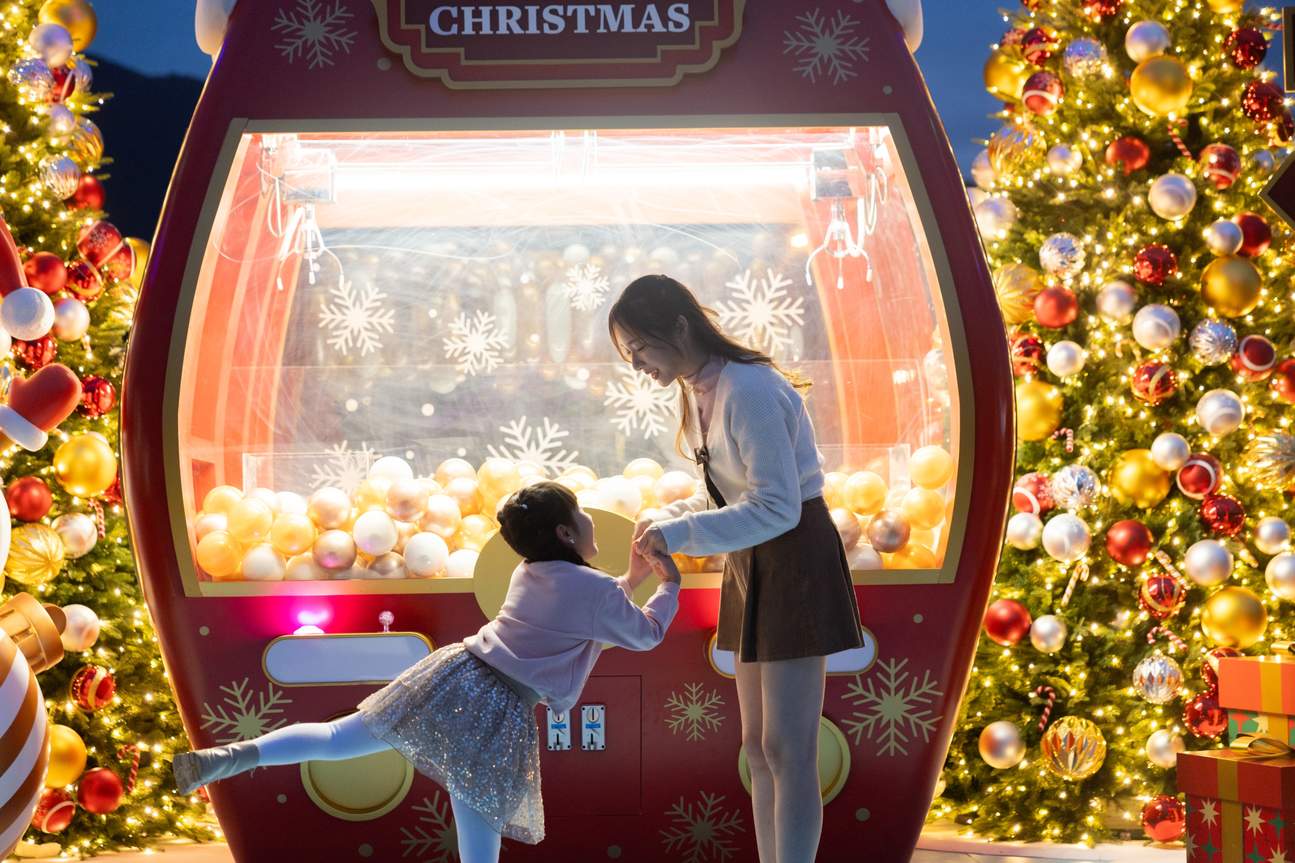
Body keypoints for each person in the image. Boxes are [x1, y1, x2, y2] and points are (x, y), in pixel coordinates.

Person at [172, 481, 680, 863]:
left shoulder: (531, 572)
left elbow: (593, 605)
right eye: (582, 515)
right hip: (497, 709)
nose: (592, 522)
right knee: (476, 834)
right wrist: (669, 584)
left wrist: (634, 576)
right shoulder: (592, 591)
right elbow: (644, 632)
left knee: (335, 737)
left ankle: (225, 758)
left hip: (454, 673)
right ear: (566, 532)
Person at [609, 274, 862, 863]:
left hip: (795, 556)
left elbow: (778, 504)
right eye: (631, 354)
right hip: (753, 557)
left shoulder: (746, 387)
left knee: (788, 747)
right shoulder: (699, 389)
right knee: (757, 746)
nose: (639, 363)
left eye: (641, 347)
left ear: (679, 326)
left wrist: (678, 532)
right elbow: (731, 498)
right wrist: (662, 520)